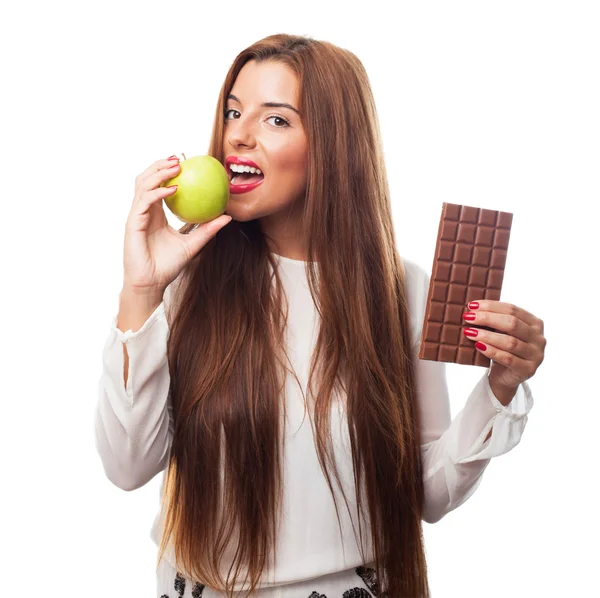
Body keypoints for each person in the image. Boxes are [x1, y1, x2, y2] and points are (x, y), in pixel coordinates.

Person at [94, 34, 546, 598]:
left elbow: (428, 494)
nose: (237, 133)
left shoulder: (399, 291)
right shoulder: (188, 278)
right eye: (234, 111)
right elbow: (127, 467)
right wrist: (141, 289)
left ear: (334, 145)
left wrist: (501, 388)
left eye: (275, 120)